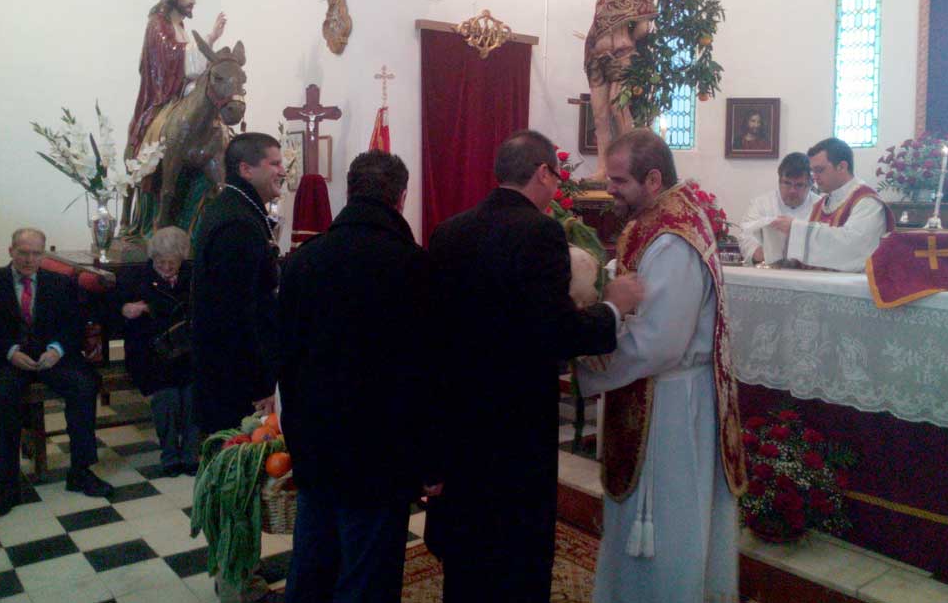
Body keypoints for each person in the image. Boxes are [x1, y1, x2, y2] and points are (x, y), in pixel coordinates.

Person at [427, 129, 643, 603]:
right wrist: (612, 307)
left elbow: (435, 335)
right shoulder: (540, 231)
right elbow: (556, 332)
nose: (556, 187)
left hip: (460, 418)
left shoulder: (449, 231)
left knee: (467, 554)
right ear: (543, 172)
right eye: (556, 177)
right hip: (516, 423)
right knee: (517, 554)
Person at [575, 129, 747, 603]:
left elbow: (660, 342)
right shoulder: (658, 218)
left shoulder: (672, 238)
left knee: (666, 527)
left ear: (653, 179)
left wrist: (588, 361)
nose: (609, 188)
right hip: (654, 391)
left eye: (618, 180)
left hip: (670, 404)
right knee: (643, 525)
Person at [280, 151, 440, 603]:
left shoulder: (303, 262)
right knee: (366, 577)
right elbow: (425, 374)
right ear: (401, 198)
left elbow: (286, 360)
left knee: (311, 566)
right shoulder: (415, 267)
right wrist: (430, 460)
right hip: (380, 455)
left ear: (348, 192)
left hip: (314, 444)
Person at [192, 133, 284, 603]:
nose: (281, 170)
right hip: (232, 380)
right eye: (273, 163)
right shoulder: (236, 224)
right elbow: (237, 315)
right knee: (236, 480)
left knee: (239, 479)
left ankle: (240, 572)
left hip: (227, 374)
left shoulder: (237, 211)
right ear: (246, 169)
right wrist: (260, 383)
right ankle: (238, 583)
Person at [0, 228, 114, 517]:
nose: (29, 259)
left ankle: (81, 471)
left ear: (43, 254)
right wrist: (10, 352)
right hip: (11, 358)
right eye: (23, 252)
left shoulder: (59, 283)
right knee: (1, 395)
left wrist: (56, 350)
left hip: (51, 357)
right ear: (11, 251)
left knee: (84, 385)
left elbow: (74, 325)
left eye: (36, 253)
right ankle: (6, 483)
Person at [128, 0, 226, 158]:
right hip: (164, 95)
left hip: (184, 90)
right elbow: (170, 56)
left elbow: (189, 60)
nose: (193, 1)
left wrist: (211, 40)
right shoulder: (158, 24)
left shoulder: (179, 27)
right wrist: (208, 38)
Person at [120, 226, 198, 477]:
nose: (165, 267)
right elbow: (119, 314)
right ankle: (169, 454)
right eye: (160, 262)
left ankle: (190, 452)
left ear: (181, 259)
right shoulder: (137, 279)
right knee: (168, 397)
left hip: (186, 354)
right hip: (151, 356)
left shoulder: (193, 276)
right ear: (152, 258)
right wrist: (129, 309)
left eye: (171, 262)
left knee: (192, 392)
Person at [584, 0, 657, 181]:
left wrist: (626, 41)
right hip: (598, 58)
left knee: (619, 107)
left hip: (623, 54)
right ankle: (603, 169)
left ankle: (629, 168)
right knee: (600, 115)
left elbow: (643, 29)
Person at [769, 137, 894, 271]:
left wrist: (796, 228)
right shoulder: (820, 204)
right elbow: (808, 254)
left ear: (842, 167)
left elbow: (853, 248)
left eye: (819, 170)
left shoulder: (867, 202)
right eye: (813, 171)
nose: (814, 177)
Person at [739, 152, 818, 265]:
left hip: (808, 273)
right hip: (768, 271)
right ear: (779, 180)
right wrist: (760, 253)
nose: (792, 190)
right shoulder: (761, 204)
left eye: (799, 185)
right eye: (787, 183)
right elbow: (746, 235)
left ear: (811, 184)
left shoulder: (821, 206)